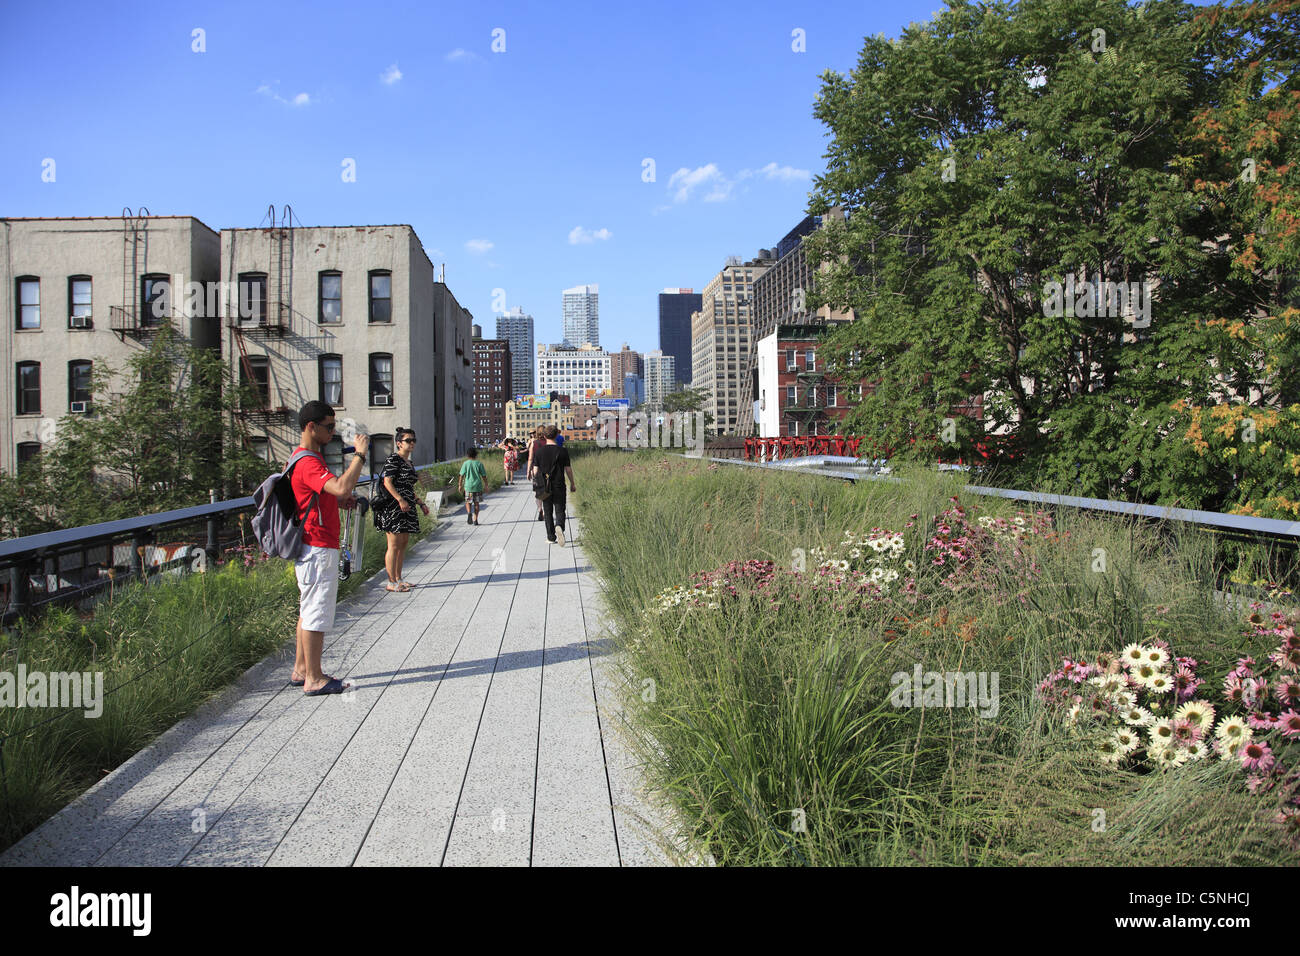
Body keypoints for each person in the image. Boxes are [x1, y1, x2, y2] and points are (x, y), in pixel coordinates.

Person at [289, 401, 368, 696]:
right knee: (316, 612)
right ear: (311, 427)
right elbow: (342, 487)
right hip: (317, 546)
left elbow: (326, 493)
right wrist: (359, 455)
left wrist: (334, 501)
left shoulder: (304, 458)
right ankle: (315, 678)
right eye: (329, 427)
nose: (333, 432)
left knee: (307, 610)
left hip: (312, 545)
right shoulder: (308, 460)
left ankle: (300, 669)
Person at [373, 427, 429, 592]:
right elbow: (387, 482)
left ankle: (399, 578)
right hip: (393, 507)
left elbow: (408, 487)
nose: (412, 443)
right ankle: (391, 582)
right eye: (408, 440)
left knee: (403, 543)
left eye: (413, 440)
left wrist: (420, 503)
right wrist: (400, 499)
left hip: (408, 506)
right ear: (399, 443)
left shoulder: (409, 463)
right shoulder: (393, 459)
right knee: (393, 544)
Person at [531, 424, 576, 547]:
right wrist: (572, 483)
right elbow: (568, 469)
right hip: (559, 484)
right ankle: (559, 526)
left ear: (544, 436)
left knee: (548, 510)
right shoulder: (563, 451)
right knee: (560, 508)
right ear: (557, 435)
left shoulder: (539, 452)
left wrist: (536, 482)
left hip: (545, 486)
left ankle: (551, 537)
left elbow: (535, 471)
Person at [459, 447, 487, 525]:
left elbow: (461, 475)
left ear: (468, 455)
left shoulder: (465, 463)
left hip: (468, 487)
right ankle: (475, 519)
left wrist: (460, 485)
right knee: (477, 503)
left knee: (468, 502)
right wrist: (486, 485)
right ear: (476, 455)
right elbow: (484, 476)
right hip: (477, 487)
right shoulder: (479, 463)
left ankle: (469, 513)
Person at [526, 426, 548, 521]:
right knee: (547, 491)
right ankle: (547, 511)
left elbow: (530, 458)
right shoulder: (549, 442)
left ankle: (540, 509)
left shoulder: (534, 443)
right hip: (548, 470)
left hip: (536, 470)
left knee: (538, 492)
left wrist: (528, 472)